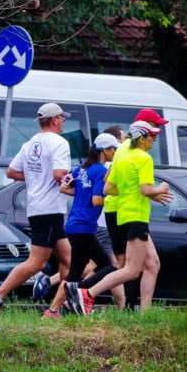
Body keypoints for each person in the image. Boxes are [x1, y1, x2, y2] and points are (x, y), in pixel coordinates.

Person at [64, 121, 174, 314]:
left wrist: (131, 191)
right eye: (152, 136)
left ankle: (138, 312)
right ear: (141, 138)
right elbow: (145, 189)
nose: (154, 140)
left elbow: (108, 188)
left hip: (119, 215)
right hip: (136, 216)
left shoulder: (122, 155)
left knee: (138, 265)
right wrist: (160, 190)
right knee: (131, 269)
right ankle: (86, 293)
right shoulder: (143, 158)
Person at [0, 103, 73, 311]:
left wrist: (35, 177)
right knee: (37, 263)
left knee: (70, 261)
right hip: (49, 209)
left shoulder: (30, 144)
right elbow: (60, 174)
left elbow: (11, 172)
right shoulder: (59, 143)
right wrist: (78, 184)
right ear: (55, 120)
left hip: (39, 209)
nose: (64, 122)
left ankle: (60, 307)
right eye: (62, 118)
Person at [42, 133, 119, 318]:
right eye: (114, 149)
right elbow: (97, 200)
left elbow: (63, 187)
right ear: (106, 151)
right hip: (83, 227)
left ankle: (71, 297)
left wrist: (81, 194)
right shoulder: (100, 171)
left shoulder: (81, 169)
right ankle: (56, 307)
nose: (115, 152)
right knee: (85, 271)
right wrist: (118, 196)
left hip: (75, 225)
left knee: (100, 266)